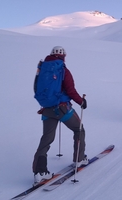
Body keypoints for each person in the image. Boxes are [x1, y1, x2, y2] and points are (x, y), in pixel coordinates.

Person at [32, 46, 88, 184]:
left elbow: (36, 87)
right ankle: (79, 159)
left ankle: (40, 172)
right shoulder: (63, 70)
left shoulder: (42, 68)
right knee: (79, 129)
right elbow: (70, 90)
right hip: (62, 109)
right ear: (63, 56)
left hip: (47, 109)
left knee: (46, 139)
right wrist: (81, 101)